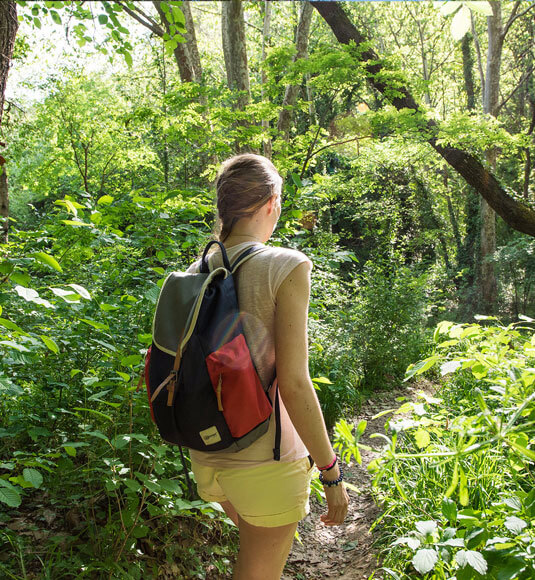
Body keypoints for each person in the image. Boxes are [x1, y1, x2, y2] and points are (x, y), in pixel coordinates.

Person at [187, 153, 349, 580]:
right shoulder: (286, 265)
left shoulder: (196, 269)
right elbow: (294, 383)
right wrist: (331, 473)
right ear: (272, 203)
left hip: (206, 451)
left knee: (256, 552)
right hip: (267, 457)